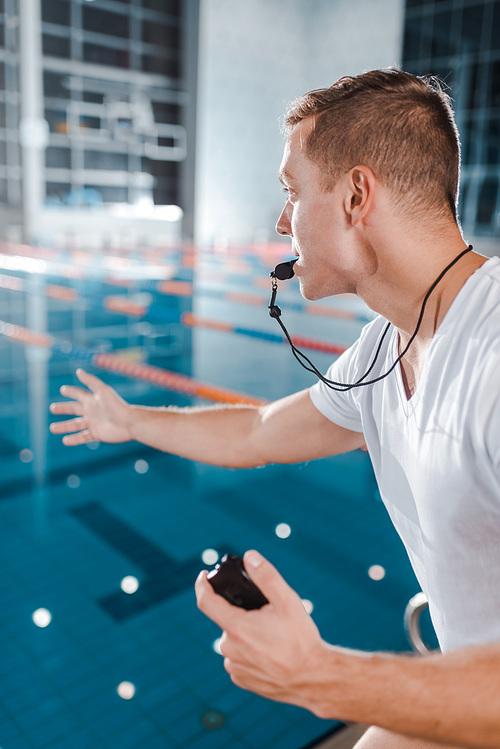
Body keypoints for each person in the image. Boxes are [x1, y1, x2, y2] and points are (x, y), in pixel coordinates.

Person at [49, 69, 500, 748]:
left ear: (355, 195)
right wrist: (132, 421)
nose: (281, 222)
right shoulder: (387, 345)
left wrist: (319, 674)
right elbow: (259, 430)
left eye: (293, 192)